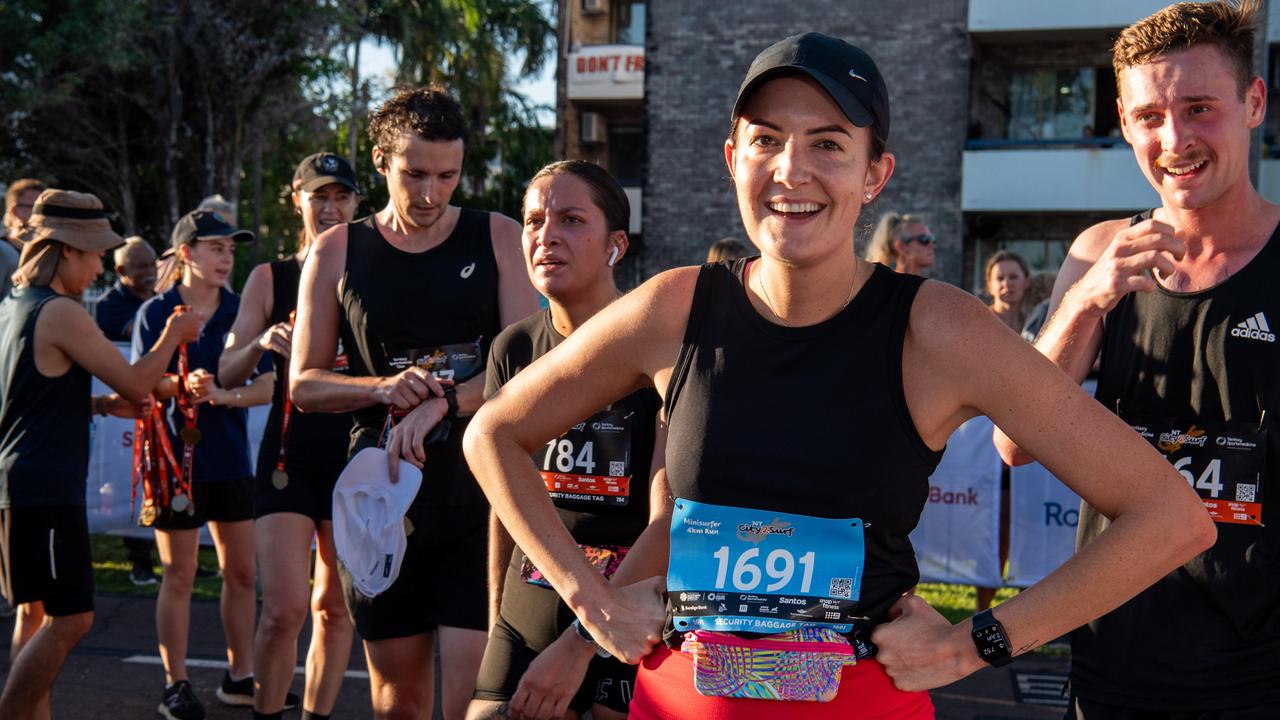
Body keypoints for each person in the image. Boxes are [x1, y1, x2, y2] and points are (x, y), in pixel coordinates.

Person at [463, 31, 1216, 719]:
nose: (792, 170)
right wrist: (590, 603)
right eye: (766, 140)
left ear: (874, 174)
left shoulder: (938, 329)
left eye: (828, 143)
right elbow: (493, 434)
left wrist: (972, 644)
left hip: (859, 702)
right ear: (733, 159)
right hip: (677, 700)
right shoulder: (676, 307)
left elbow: (1169, 517)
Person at [994, 2, 1280, 717]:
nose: (1175, 138)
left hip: (1261, 668)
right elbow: (1015, 444)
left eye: (1200, 107)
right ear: (1124, 123)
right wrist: (1086, 302)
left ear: (1253, 103)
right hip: (1113, 655)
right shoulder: (1098, 254)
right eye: (1150, 115)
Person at [290, 87, 539, 720]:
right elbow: (304, 384)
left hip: (477, 495)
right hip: (380, 492)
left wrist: (443, 404)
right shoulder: (338, 249)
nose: (431, 194)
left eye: (448, 176)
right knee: (396, 699)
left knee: (472, 699)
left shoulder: (498, 237)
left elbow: (526, 371)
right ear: (381, 161)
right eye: (415, 174)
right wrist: (382, 390)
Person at [468, 160, 668, 720]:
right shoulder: (512, 348)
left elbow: (667, 520)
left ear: (616, 245)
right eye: (533, 220)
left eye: (572, 219)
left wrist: (585, 639)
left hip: (629, 612)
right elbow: (505, 505)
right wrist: (497, 621)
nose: (546, 234)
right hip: (527, 606)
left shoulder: (660, 348)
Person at [0, 189, 201, 720]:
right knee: (72, 620)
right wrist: (172, 334)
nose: (100, 267)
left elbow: (25, 393)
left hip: (23, 486)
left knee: (38, 614)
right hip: (43, 488)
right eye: (93, 254)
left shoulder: (14, 303)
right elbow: (140, 384)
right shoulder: (60, 311)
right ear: (65, 250)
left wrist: (95, 404)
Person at [218, 152, 360, 720]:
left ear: (356, 203)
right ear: (297, 197)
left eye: (342, 197)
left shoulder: (370, 273)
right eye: (318, 196)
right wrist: (260, 344)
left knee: (335, 610)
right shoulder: (270, 277)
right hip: (287, 458)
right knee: (283, 610)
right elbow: (228, 370)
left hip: (354, 458)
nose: (330, 208)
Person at [134, 208, 276, 720]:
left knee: (241, 573)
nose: (227, 259)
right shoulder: (159, 311)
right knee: (180, 574)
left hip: (231, 460)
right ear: (188, 253)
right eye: (217, 248)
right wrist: (180, 385)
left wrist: (222, 393)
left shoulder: (243, 308)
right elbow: (141, 382)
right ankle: (176, 685)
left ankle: (240, 677)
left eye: (231, 250)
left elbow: (268, 385)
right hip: (175, 465)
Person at [94, 236, 162, 585]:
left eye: (152, 265)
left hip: (155, 410)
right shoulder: (107, 306)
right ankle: (139, 561)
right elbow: (137, 338)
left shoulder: (159, 299)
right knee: (125, 482)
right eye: (141, 267)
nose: (151, 273)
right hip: (119, 417)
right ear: (120, 270)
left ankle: (174, 556)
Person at [2, 179, 48, 297]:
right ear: (15, 210)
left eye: (45, 209)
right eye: (36, 208)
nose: (43, 215)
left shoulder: (44, 255)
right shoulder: (3, 253)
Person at [864, 211, 934, 275]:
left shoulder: (929, 287)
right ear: (900, 246)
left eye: (932, 239)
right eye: (924, 239)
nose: (931, 245)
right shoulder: (887, 286)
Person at [983, 250, 1029, 332]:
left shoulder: (1035, 323)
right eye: (1000, 278)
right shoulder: (979, 322)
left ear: (1026, 282)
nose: (1007, 283)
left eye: (1013, 277)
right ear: (989, 286)